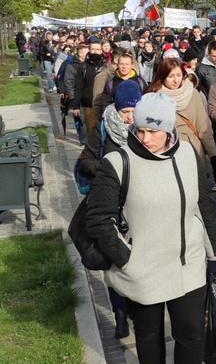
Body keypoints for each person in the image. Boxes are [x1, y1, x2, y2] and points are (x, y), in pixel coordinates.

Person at [85, 92, 216, 363]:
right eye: (140, 130)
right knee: (149, 338)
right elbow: (99, 219)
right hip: (143, 270)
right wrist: (127, 259)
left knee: (193, 335)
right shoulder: (117, 162)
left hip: (188, 265)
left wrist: (214, 254)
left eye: (153, 131)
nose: (146, 138)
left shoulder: (188, 154)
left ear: (168, 129)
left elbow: (203, 206)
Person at [79, 80, 142, 340]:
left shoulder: (144, 129)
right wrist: (108, 169)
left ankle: (137, 309)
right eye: (125, 112)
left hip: (138, 206)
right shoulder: (103, 128)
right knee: (116, 262)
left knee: (137, 262)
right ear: (116, 110)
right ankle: (119, 314)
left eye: (133, 112)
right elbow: (86, 161)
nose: (129, 118)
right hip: (112, 207)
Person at [146, 58, 216, 160]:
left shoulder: (192, 93)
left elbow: (204, 128)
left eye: (179, 75)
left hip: (194, 150)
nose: (176, 80)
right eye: (171, 76)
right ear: (162, 77)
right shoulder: (154, 98)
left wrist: (214, 155)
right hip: (168, 151)